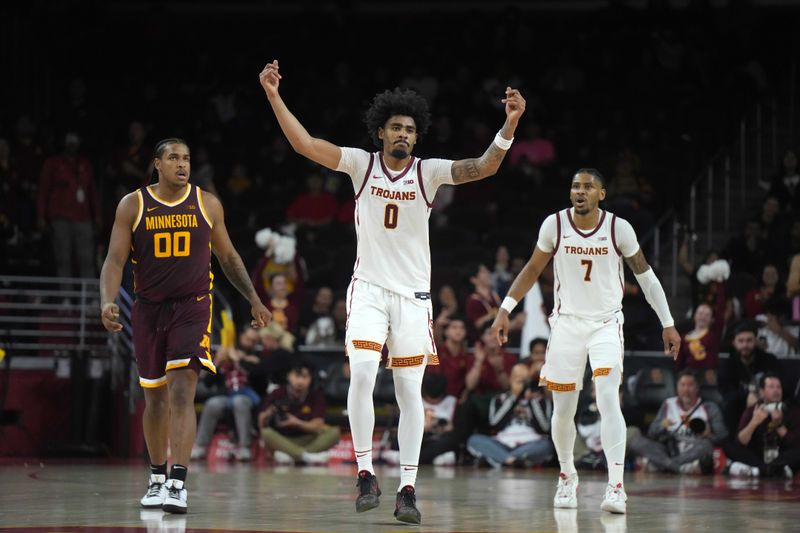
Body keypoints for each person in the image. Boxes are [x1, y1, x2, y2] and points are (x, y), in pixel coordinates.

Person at [259, 58, 525, 525]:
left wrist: (510, 123)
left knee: (409, 391)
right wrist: (274, 95)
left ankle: (407, 488)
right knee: (361, 375)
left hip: (413, 299)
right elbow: (305, 145)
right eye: (395, 127)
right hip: (368, 291)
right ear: (380, 132)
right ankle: (365, 474)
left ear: (417, 136)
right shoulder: (360, 165)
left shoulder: (429, 172)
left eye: (409, 129)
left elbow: (484, 167)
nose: (403, 134)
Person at [491, 168, 681, 514]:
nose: (580, 191)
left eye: (588, 187)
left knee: (608, 396)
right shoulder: (554, 225)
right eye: (575, 186)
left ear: (601, 194)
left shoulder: (618, 228)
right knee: (564, 410)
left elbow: (646, 276)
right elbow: (533, 269)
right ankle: (567, 476)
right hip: (566, 325)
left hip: (607, 324)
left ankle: (616, 486)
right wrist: (505, 308)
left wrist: (667, 322)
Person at [99, 138, 271, 514]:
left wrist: (254, 299)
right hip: (148, 310)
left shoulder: (207, 203)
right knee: (155, 397)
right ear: (157, 165)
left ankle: (178, 481)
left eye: (187, 158)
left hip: (192, 307)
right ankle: (157, 476)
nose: (182, 164)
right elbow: (114, 261)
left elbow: (228, 257)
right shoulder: (133, 204)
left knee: (182, 391)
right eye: (174, 158)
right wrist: (107, 301)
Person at [627, 369, 728, 475]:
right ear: (677, 387)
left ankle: (664, 466)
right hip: (668, 450)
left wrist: (709, 435)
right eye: (682, 385)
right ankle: (678, 468)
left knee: (706, 446)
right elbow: (652, 432)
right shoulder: (668, 405)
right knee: (636, 442)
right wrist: (661, 426)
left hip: (694, 451)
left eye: (690, 385)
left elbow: (723, 436)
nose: (686, 389)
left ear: (697, 388)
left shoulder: (709, 408)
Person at [257, 359, 341, 466]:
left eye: (305, 377)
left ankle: (293, 455)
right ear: (289, 376)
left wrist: (296, 422)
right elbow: (261, 423)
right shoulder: (277, 393)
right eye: (297, 376)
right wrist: (270, 412)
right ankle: (307, 457)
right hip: (283, 439)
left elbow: (317, 426)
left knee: (334, 432)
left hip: (309, 438)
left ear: (310, 379)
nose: (300, 381)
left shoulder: (316, 396)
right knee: (266, 433)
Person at [724, 372, 800, 478]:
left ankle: (759, 470)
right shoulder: (752, 410)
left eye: (778, 387)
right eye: (771, 387)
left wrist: (779, 425)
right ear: (762, 392)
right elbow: (740, 442)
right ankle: (769, 470)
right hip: (758, 455)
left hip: (782, 455)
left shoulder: (792, 411)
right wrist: (754, 422)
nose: (776, 390)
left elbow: (795, 443)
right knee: (729, 446)